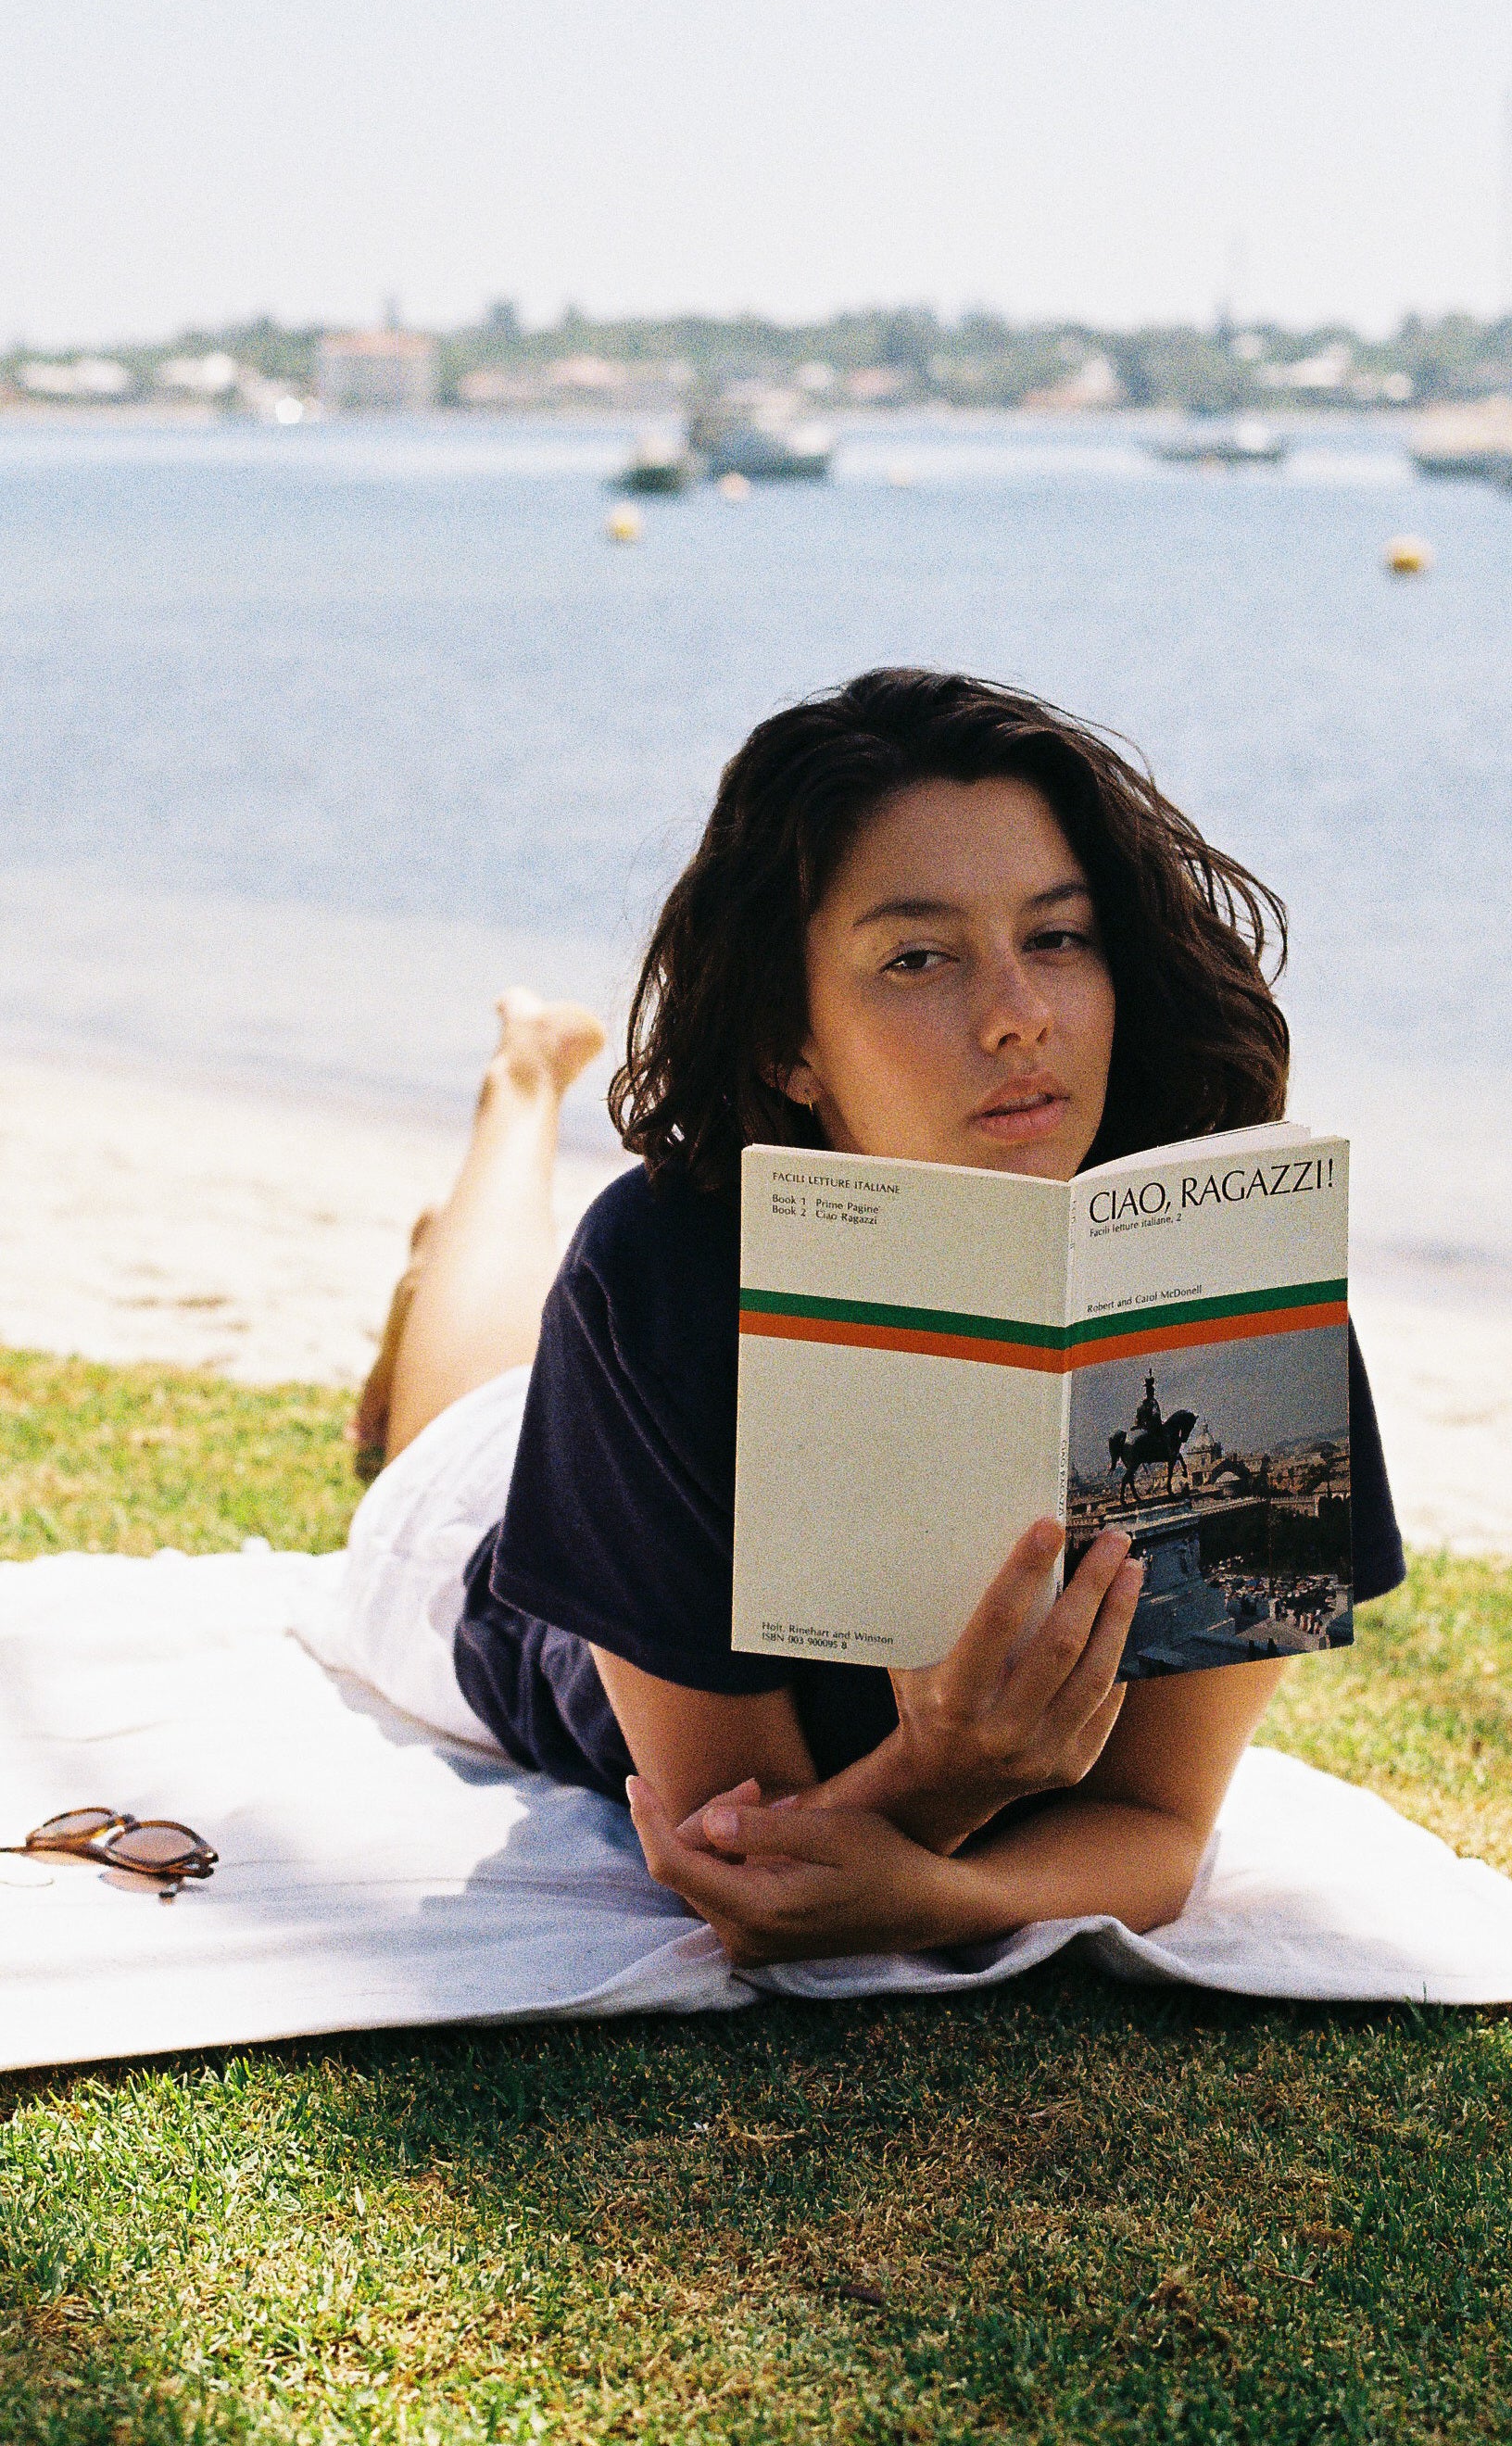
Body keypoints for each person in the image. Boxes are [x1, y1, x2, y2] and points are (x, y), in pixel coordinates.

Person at [332, 669, 1405, 1968]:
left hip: (641, 1458)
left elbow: (1155, 1825)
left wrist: (942, 1890)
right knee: (441, 1438)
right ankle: (517, 1093)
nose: (1020, 1017)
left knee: (502, 1389)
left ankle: (484, 1203)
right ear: (791, 1043)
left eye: (1057, 939)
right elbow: (739, 1855)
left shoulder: (1230, 1286)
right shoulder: (661, 1265)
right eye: (917, 958)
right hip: (503, 1591)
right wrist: (947, 1781)